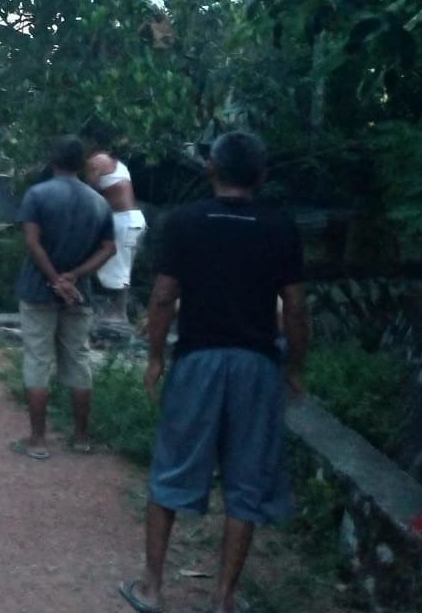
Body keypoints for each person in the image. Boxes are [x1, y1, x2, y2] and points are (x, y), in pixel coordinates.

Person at [119, 131, 307, 613]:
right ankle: (223, 600)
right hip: (256, 364)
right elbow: (295, 306)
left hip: (198, 360)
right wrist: (294, 366)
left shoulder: (185, 222)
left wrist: (156, 357)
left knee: (172, 470)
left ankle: (152, 588)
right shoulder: (281, 227)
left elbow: (163, 297)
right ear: (261, 177)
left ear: (210, 170)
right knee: (246, 485)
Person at [10, 134, 116, 460]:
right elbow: (109, 248)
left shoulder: (38, 195)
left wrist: (54, 278)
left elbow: (32, 242)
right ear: (83, 163)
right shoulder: (98, 202)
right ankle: (81, 437)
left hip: (37, 290)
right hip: (78, 295)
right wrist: (75, 276)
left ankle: (38, 440)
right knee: (78, 362)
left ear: (52, 160)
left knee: (38, 361)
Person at [85, 140, 147, 327]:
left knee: (118, 266)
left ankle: (118, 314)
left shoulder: (97, 161)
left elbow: (88, 192)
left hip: (124, 221)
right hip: (130, 220)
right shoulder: (116, 162)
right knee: (120, 266)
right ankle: (116, 311)